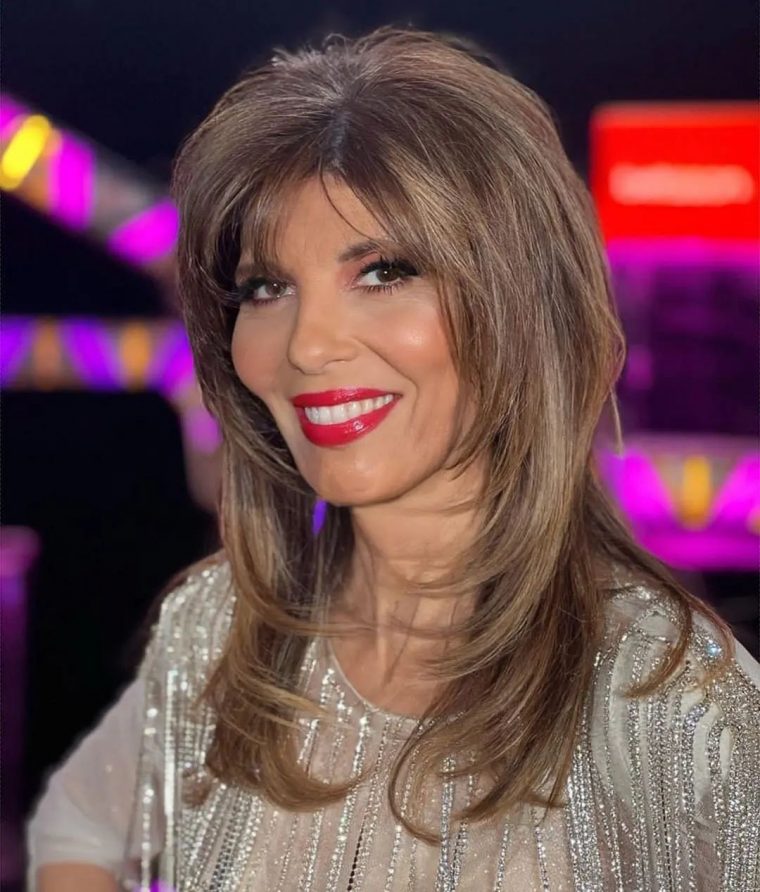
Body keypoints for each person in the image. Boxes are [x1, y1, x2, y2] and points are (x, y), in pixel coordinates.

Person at [27, 25, 760, 891]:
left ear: (524, 306)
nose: (308, 344)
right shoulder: (217, 632)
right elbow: (77, 823)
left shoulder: (669, 697)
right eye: (267, 287)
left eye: (384, 272)